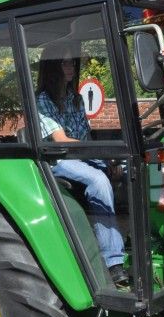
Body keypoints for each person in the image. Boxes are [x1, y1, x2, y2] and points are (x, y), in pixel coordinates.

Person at [36, 43, 128, 287]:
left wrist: (109, 160)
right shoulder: (43, 100)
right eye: (65, 62)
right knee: (98, 180)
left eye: (72, 62)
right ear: (53, 67)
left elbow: (85, 138)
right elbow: (61, 140)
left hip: (81, 155)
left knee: (131, 169)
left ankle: (134, 241)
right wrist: (103, 157)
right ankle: (113, 263)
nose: (71, 67)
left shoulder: (75, 99)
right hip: (58, 159)